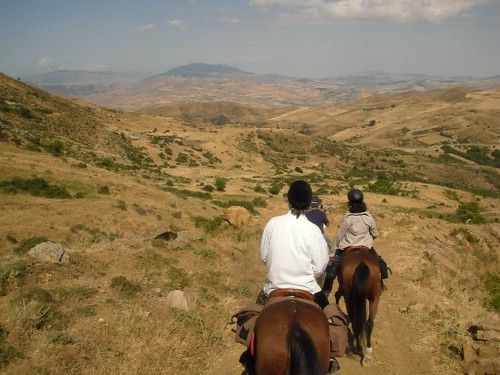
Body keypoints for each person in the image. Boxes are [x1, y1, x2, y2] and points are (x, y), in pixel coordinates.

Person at [257, 180, 330, 309]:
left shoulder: (273, 223)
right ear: (308, 203)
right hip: (308, 289)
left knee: (250, 318)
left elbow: (264, 256)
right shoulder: (313, 230)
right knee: (331, 318)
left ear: (288, 200)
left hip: (274, 288)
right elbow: (320, 267)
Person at [322, 188, 389, 296]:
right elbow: (375, 234)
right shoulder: (369, 218)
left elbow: (339, 236)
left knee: (331, 270)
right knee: (379, 262)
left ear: (350, 204)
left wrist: (332, 252)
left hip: (347, 248)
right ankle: (381, 282)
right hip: (366, 247)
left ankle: (326, 290)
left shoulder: (347, 218)